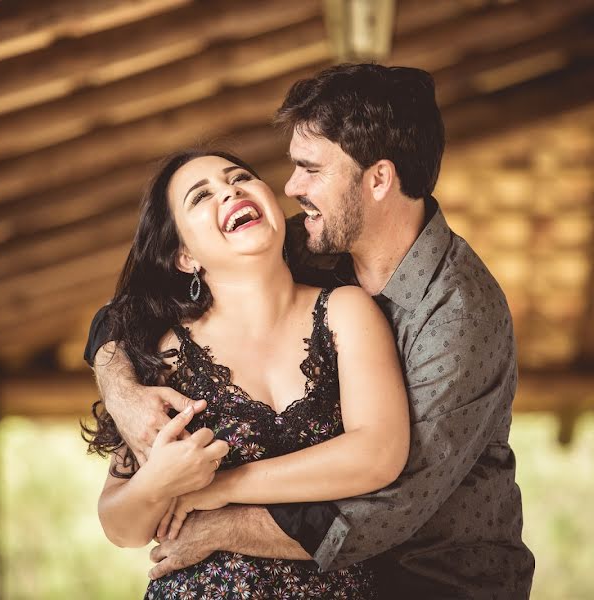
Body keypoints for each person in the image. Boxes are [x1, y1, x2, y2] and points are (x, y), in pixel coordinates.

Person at [86, 64, 535, 598]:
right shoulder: (300, 242)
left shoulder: (457, 314)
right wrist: (123, 391)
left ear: (378, 180)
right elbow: (126, 312)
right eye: (202, 196)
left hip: (441, 580)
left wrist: (218, 505)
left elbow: (387, 496)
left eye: (310, 169)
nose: (290, 186)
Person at [82, 149, 411, 599]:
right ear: (184, 257)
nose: (230, 191)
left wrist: (219, 488)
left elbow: (379, 453)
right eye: (201, 197)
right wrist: (159, 480)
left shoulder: (347, 312)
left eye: (240, 178)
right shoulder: (163, 357)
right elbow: (120, 526)